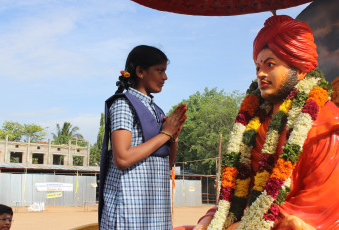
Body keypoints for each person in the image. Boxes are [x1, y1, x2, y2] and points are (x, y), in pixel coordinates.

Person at [187, 15, 339, 230]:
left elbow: (320, 206)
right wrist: (207, 222)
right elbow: (231, 197)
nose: (261, 74)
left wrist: (244, 226)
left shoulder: (325, 121)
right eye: (257, 67)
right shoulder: (255, 121)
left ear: (301, 69)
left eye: (270, 64)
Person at [98, 45, 187, 229]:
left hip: (155, 212)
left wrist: (173, 138)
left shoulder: (156, 110)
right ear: (140, 71)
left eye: (165, 71)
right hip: (129, 212)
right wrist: (165, 134)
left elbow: (166, 163)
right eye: (160, 70)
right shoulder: (124, 105)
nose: (165, 77)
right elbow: (122, 158)